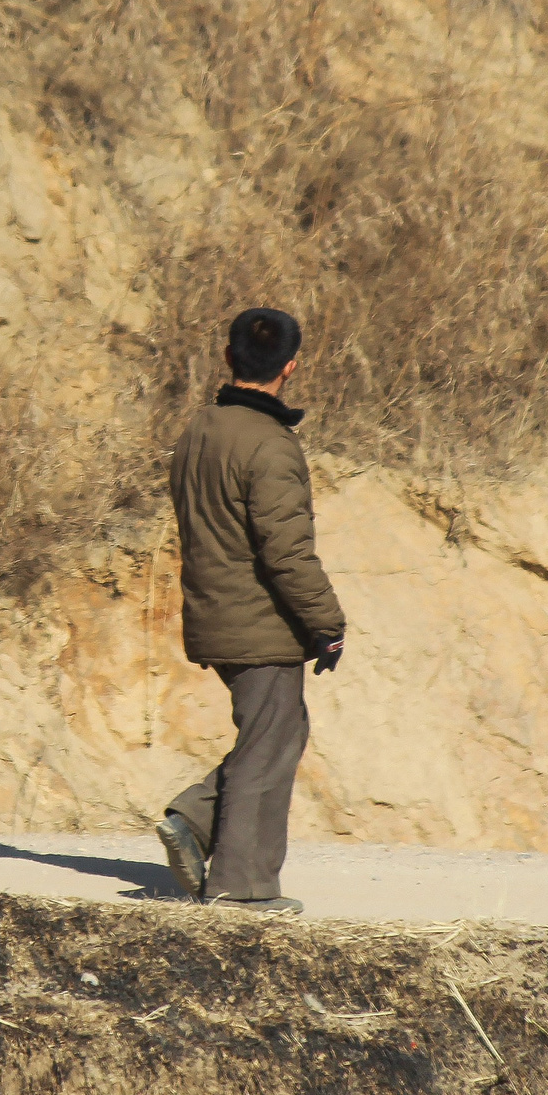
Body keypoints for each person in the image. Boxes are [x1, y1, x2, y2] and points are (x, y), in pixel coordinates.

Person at [154, 308, 347, 915]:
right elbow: (287, 552)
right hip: (259, 622)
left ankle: (194, 820)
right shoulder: (270, 446)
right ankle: (241, 887)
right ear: (290, 368)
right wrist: (327, 622)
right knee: (270, 741)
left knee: (275, 733)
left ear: (229, 358)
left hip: (209, 610)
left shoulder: (198, 431)